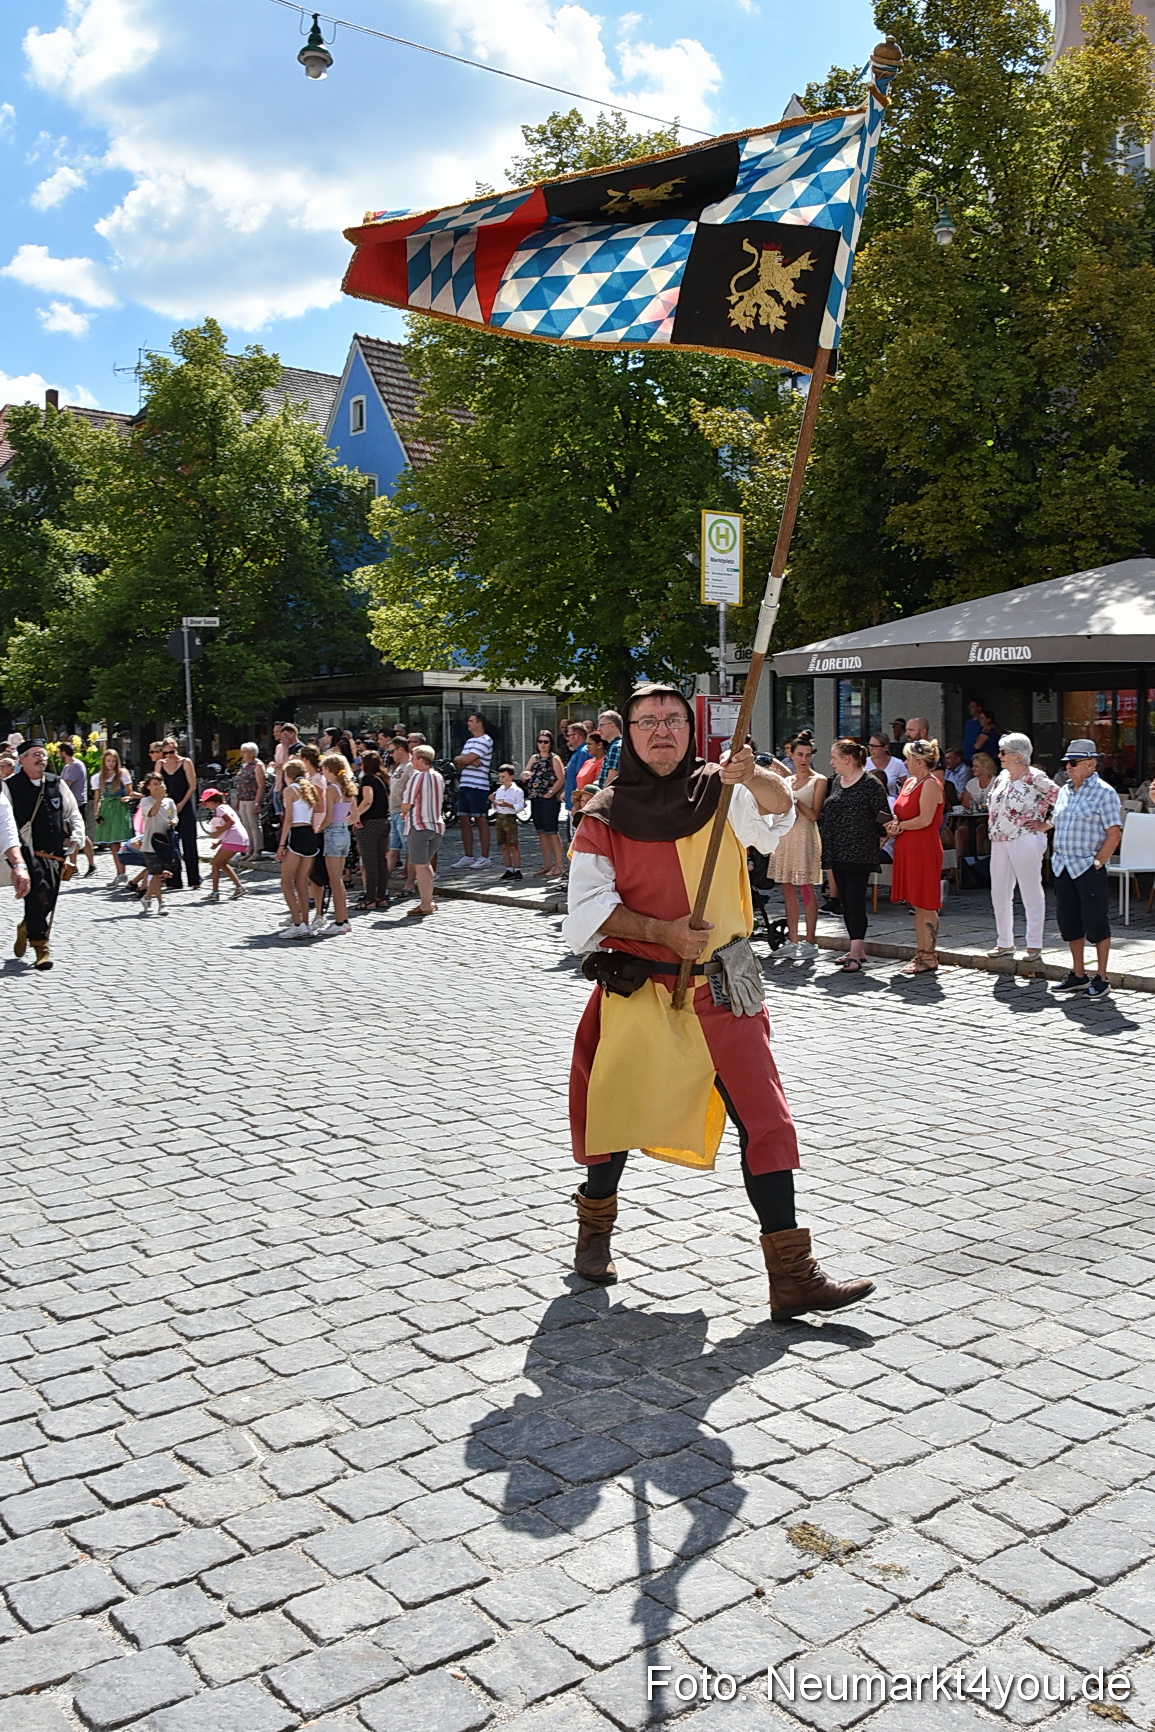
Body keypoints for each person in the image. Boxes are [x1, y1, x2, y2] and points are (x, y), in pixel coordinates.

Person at [563, 683, 872, 1320]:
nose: (661, 731)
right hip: (642, 988)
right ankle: (594, 1234)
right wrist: (661, 932)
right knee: (612, 1115)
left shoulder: (720, 789)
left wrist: (754, 772)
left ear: (689, 726)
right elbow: (583, 915)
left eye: (673, 719)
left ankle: (793, 1276)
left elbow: (778, 820)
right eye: (646, 722)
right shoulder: (603, 812)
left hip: (725, 986)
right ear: (629, 733)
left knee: (766, 1120)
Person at [1050, 738, 1123, 999]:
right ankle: (1078, 974)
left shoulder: (1105, 792)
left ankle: (1102, 977)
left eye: (1073, 762)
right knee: (1068, 923)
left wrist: (1097, 863)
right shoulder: (1064, 791)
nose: (1067, 767)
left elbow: (1113, 835)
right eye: (1065, 762)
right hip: (1063, 867)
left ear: (1091, 764)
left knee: (1096, 923)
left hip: (1087, 867)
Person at [7, 741, 85, 969]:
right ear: (22, 759)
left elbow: (73, 813)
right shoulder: (9, 787)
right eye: (35, 755)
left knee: (49, 897)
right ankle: (41, 947)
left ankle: (27, 927)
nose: (41, 758)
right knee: (38, 894)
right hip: (27, 853)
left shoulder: (56, 783)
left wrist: (77, 839)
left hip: (55, 853)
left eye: (42, 754)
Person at [817, 739, 891, 973]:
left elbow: (883, 818)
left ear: (847, 759)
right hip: (838, 851)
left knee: (855, 900)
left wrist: (881, 839)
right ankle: (854, 947)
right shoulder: (838, 782)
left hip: (860, 853)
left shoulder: (871, 784)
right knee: (845, 902)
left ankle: (857, 951)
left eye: (835, 758)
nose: (832, 763)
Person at [986, 733, 1058, 960]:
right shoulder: (1002, 777)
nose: (999, 756)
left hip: (1025, 837)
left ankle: (1034, 943)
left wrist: (1047, 824)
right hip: (999, 839)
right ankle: (1004, 941)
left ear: (1018, 756)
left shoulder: (1036, 777)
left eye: (1003, 753)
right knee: (999, 891)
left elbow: (1063, 800)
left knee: (1030, 890)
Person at [887, 738, 946, 976]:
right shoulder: (910, 782)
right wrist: (893, 826)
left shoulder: (931, 783)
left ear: (920, 761)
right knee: (917, 903)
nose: (905, 762)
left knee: (926, 901)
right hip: (908, 846)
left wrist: (900, 827)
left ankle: (929, 954)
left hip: (924, 847)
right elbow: (903, 814)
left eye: (908, 758)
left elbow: (925, 819)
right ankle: (921, 952)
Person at [768, 732, 825, 958]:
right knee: (787, 888)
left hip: (805, 836)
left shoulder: (818, 780)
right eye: (800, 754)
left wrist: (795, 800)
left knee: (806, 887)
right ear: (791, 755)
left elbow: (813, 815)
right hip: (786, 836)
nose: (804, 759)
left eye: (808, 755)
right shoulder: (787, 781)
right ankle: (792, 939)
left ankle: (810, 941)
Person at [275, 758, 323, 940]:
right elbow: (312, 816)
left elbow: (288, 819)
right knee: (302, 882)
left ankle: (297, 923)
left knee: (286, 882)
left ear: (288, 774)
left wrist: (281, 844)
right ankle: (305, 922)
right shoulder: (309, 788)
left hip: (296, 832)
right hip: (309, 835)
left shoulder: (290, 790)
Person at [401, 744, 444, 917]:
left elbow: (407, 802)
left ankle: (425, 903)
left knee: (421, 866)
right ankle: (429, 900)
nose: (411, 761)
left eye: (413, 758)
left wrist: (403, 813)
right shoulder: (438, 776)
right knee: (426, 865)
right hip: (436, 825)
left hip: (419, 824)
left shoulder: (417, 777)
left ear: (420, 759)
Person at [318, 752, 356, 935]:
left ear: (328, 769)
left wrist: (317, 829)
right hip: (344, 832)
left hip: (333, 832)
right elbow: (353, 815)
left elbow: (328, 816)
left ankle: (340, 921)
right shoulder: (346, 787)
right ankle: (344, 919)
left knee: (334, 880)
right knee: (338, 880)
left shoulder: (331, 789)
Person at [158, 738, 201, 890]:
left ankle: (194, 879)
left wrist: (182, 803)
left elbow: (192, 786)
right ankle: (174, 880)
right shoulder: (160, 764)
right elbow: (157, 786)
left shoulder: (185, 762)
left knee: (189, 843)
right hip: (167, 807)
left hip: (184, 805)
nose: (170, 756)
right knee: (170, 844)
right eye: (166, 753)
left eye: (172, 752)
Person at [453, 711, 493, 869]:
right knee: (463, 819)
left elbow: (465, 759)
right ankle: (468, 855)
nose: (468, 723)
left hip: (479, 785)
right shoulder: (469, 741)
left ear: (479, 723)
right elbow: (459, 761)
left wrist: (466, 760)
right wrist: (466, 760)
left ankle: (485, 856)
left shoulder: (486, 740)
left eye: (471, 721)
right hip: (465, 783)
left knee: (480, 819)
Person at [523, 730, 566, 878]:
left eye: (546, 742)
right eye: (540, 741)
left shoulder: (554, 758)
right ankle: (547, 864)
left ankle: (559, 865)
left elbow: (561, 778)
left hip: (548, 799)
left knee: (552, 832)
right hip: (535, 798)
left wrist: (551, 792)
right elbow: (526, 773)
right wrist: (524, 775)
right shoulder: (534, 758)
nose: (542, 745)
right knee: (541, 832)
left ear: (551, 744)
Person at [353, 749, 392, 909]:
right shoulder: (383, 778)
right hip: (384, 822)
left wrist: (355, 816)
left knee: (370, 863)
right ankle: (381, 896)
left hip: (370, 824)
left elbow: (368, 800)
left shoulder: (368, 779)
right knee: (381, 862)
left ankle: (370, 899)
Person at [135, 773, 179, 916]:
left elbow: (174, 815)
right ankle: (161, 902)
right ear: (147, 787)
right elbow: (152, 813)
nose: (157, 787)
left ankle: (147, 897)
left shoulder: (170, 802)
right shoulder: (145, 801)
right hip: (150, 843)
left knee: (158, 875)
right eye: (153, 784)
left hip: (166, 843)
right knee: (156, 873)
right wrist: (159, 799)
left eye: (159, 783)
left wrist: (174, 821)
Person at [92, 749, 134, 884]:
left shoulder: (122, 774)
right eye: (108, 760)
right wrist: (96, 814)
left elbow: (130, 793)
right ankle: (120, 872)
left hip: (119, 808)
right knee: (112, 844)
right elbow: (97, 798)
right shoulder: (98, 777)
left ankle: (122, 872)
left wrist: (127, 798)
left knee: (118, 842)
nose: (111, 763)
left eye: (113, 761)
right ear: (104, 761)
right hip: (107, 809)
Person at [200, 789, 249, 902]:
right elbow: (230, 828)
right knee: (222, 863)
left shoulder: (220, 808)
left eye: (206, 803)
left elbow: (230, 822)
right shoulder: (225, 807)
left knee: (215, 863)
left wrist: (216, 833)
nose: (206, 806)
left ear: (212, 801)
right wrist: (218, 842)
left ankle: (215, 892)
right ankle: (239, 887)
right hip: (238, 838)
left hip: (234, 839)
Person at [57, 742, 96, 876]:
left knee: (81, 835)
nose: (57, 755)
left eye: (58, 752)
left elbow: (66, 785)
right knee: (72, 836)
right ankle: (74, 866)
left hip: (77, 804)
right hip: (69, 805)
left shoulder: (76, 766)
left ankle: (91, 864)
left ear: (63, 752)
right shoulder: (67, 767)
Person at [954, 750, 998, 864]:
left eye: (976, 766)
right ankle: (960, 866)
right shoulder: (971, 783)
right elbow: (965, 804)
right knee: (960, 832)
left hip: (992, 821)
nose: (972, 768)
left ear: (985, 766)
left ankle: (979, 863)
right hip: (974, 820)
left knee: (980, 830)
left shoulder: (996, 782)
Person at [234, 744, 266, 862]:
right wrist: (237, 800)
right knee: (246, 825)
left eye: (245, 751)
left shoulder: (257, 765)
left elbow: (261, 785)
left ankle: (257, 850)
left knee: (254, 825)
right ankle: (249, 849)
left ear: (252, 753)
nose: (242, 754)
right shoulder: (244, 765)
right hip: (243, 799)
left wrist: (257, 803)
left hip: (252, 799)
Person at [493, 764, 525, 880]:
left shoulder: (517, 791)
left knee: (513, 844)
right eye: (500, 777)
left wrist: (508, 804)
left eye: (503, 777)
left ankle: (518, 869)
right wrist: (494, 801)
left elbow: (520, 806)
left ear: (511, 777)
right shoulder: (499, 790)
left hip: (510, 818)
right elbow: (495, 802)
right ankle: (508, 868)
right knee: (503, 844)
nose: (501, 779)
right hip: (500, 817)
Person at [562, 721, 590, 834]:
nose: (567, 739)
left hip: (577, 805)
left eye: (569, 735)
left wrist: (576, 803)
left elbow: (581, 779)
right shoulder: (578, 752)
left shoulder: (583, 752)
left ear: (577, 736)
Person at [596, 710, 623, 787]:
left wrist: (602, 798)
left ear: (612, 726)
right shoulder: (618, 745)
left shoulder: (616, 747)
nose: (598, 729)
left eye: (601, 725)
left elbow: (611, 779)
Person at [962, 698, 984, 764]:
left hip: (976, 756)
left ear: (979, 708)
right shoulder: (969, 721)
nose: (969, 708)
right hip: (966, 755)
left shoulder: (982, 722)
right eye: (969, 706)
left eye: (972, 706)